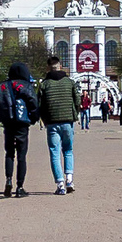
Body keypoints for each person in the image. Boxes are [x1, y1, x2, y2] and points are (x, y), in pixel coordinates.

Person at [0, 60, 40, 197]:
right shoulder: (26, 86)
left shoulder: (1, 86)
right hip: (22, 123)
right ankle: (20, 186)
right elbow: (33, 103)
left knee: (9, 153)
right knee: (22, 155)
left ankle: (8, 180)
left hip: (8, 123)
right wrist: (34, 118)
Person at [39, 54, 82, 194]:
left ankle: (60, 184)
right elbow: (77, 100)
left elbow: (40, 104)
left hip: (51, 122)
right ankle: (69, 179)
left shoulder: (44, 84)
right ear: (60, 66)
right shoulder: (69, 82)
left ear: (48, 68)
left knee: (54, 152)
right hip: (68, 122)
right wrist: (76, 114)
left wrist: (43, 119)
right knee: (68, 150)